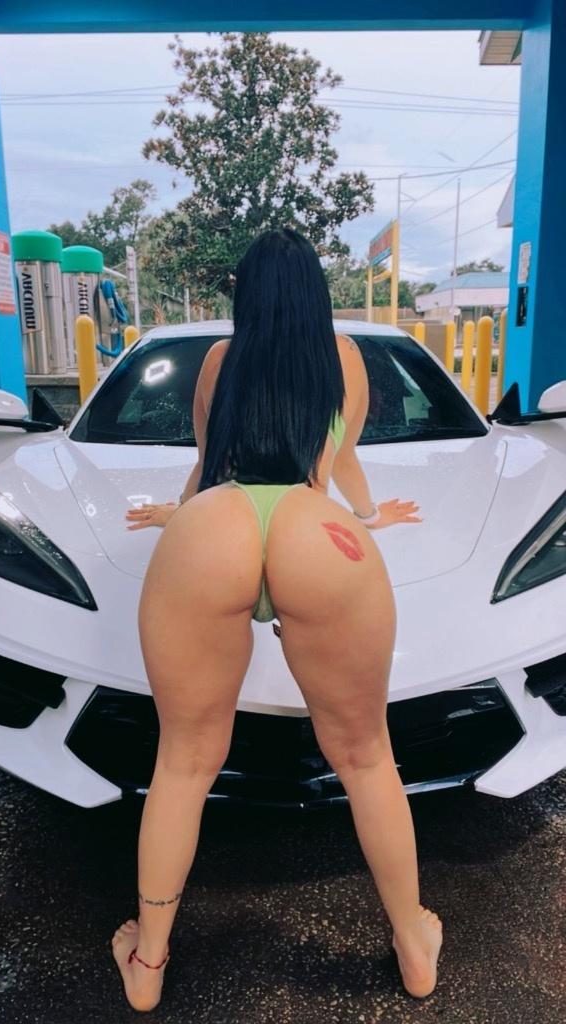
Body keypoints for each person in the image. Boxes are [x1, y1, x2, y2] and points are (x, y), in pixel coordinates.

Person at [111, 227, 442, 1012]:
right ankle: (414, 945)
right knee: (367, 757)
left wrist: (179, 516)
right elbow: (340, 459)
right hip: (317, 533)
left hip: (213, 532)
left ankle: (148, 963)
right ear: (316, 293)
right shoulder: (346, 359)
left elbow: (207, 464)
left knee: (183, 763)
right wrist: (370, 515)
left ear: (246, 293)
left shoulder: (217, 361)